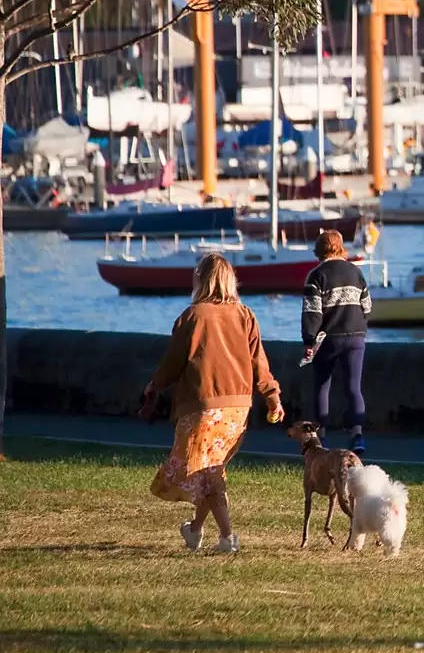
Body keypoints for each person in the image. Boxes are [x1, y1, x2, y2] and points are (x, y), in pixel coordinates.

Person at [143, 253, 282, 554]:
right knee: (211, 470)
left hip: (203, 405)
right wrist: (273, 397)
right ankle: (194, 530)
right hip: (238, 408)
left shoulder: (192, 316)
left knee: (208, 472)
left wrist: (155, 384)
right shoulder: (246, 315)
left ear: (201, 279)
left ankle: (228, 537)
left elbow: (173, 361)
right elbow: (260, 362)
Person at [302, 229, 372, 455]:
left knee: (322, 386)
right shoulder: (356, 272)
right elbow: (367, 306)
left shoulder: (316, 275)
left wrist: (309, 340)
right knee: (354, 388)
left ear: (319, 250)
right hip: (355, 336)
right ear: (341, 248)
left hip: (328, 339)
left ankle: (320, 438)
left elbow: (312, 311)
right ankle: (357, 436)